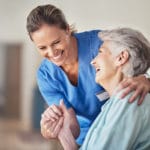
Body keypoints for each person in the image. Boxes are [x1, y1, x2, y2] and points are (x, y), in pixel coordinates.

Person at [26, 4, 150, 145]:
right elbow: (70, 122)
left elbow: (138, 57)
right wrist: (55, 128)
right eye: (42, 48)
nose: (52, 52)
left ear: (67, 29)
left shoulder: (100, 44)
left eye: (56, 42)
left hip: (116, 125)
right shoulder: (46, 75)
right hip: (85, 137)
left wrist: (146, 79)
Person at [57, 27, 150, 150]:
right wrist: (66, 136)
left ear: (121, 58)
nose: (92, 62)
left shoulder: (129, 99)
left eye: (100, 52)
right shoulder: (116, 102)